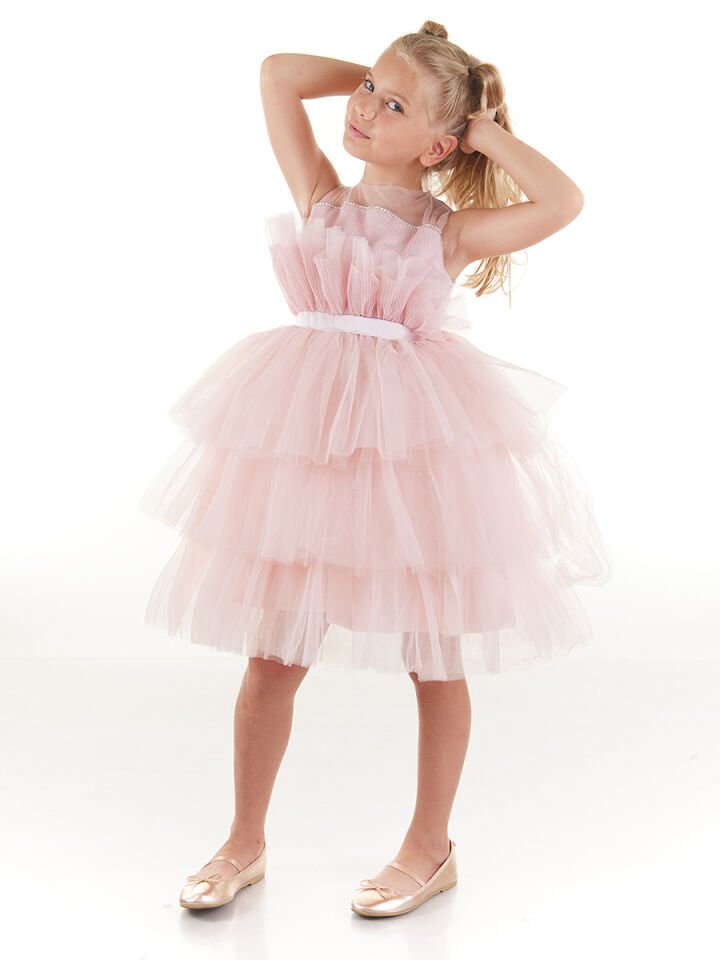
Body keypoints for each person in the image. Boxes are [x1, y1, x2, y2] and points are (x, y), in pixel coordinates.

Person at [139, 21, 613, 918]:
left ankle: (430, 847)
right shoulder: (320, 197)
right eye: (366, 93)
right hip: (309, 451)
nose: (362, 109)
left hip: (409, 460)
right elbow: (278, 73)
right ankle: (244, 840)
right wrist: (394, 76)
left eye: (391, 108)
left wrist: (478, 124)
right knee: (272, 654)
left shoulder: (449, 233)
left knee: (434, 655)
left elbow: (563, 202)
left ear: (438, 145)